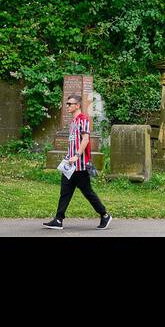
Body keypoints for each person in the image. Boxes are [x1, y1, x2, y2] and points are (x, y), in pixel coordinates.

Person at [42, 94, 112, 229]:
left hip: (80, 165)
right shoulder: (73, 122)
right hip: (70, 165)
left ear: (77, 105)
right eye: (67, 103)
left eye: (70, 103)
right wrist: (69, 158)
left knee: (88, 192)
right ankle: (58, 219)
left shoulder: (83, 120)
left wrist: (77, 155)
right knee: (65, 191)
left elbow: (85, 139)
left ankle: (104, 215)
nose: (67, 106)